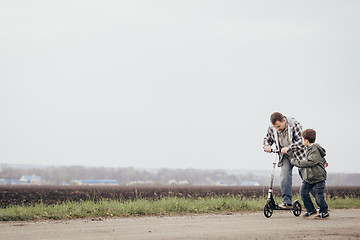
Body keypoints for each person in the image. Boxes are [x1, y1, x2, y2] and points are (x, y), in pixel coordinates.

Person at [263, 112, 306, 208]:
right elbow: (267, 139)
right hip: (284, 155)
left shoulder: (294, 124)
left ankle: (319, 203)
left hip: (299, 154)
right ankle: (287, 202)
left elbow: (301, 141)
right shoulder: (272, 127)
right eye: (275, 127)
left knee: (307, 178)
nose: (277, 129)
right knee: (284, 175)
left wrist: (289, 148)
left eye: (279, 126)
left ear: (283, 121)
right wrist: (267, 145)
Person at [291, 129, 329, 219]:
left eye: (302, 139)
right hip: (309, 177)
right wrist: (324, 161)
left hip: (318, 177)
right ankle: (311, 210)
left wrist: (295, 162)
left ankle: (324, 212)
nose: (301, 140)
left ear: (306, 141)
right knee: (303, 193)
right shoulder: (309, 148)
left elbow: (311, 162)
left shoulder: (314, 149)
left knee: (319, 196)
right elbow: (319, 158)